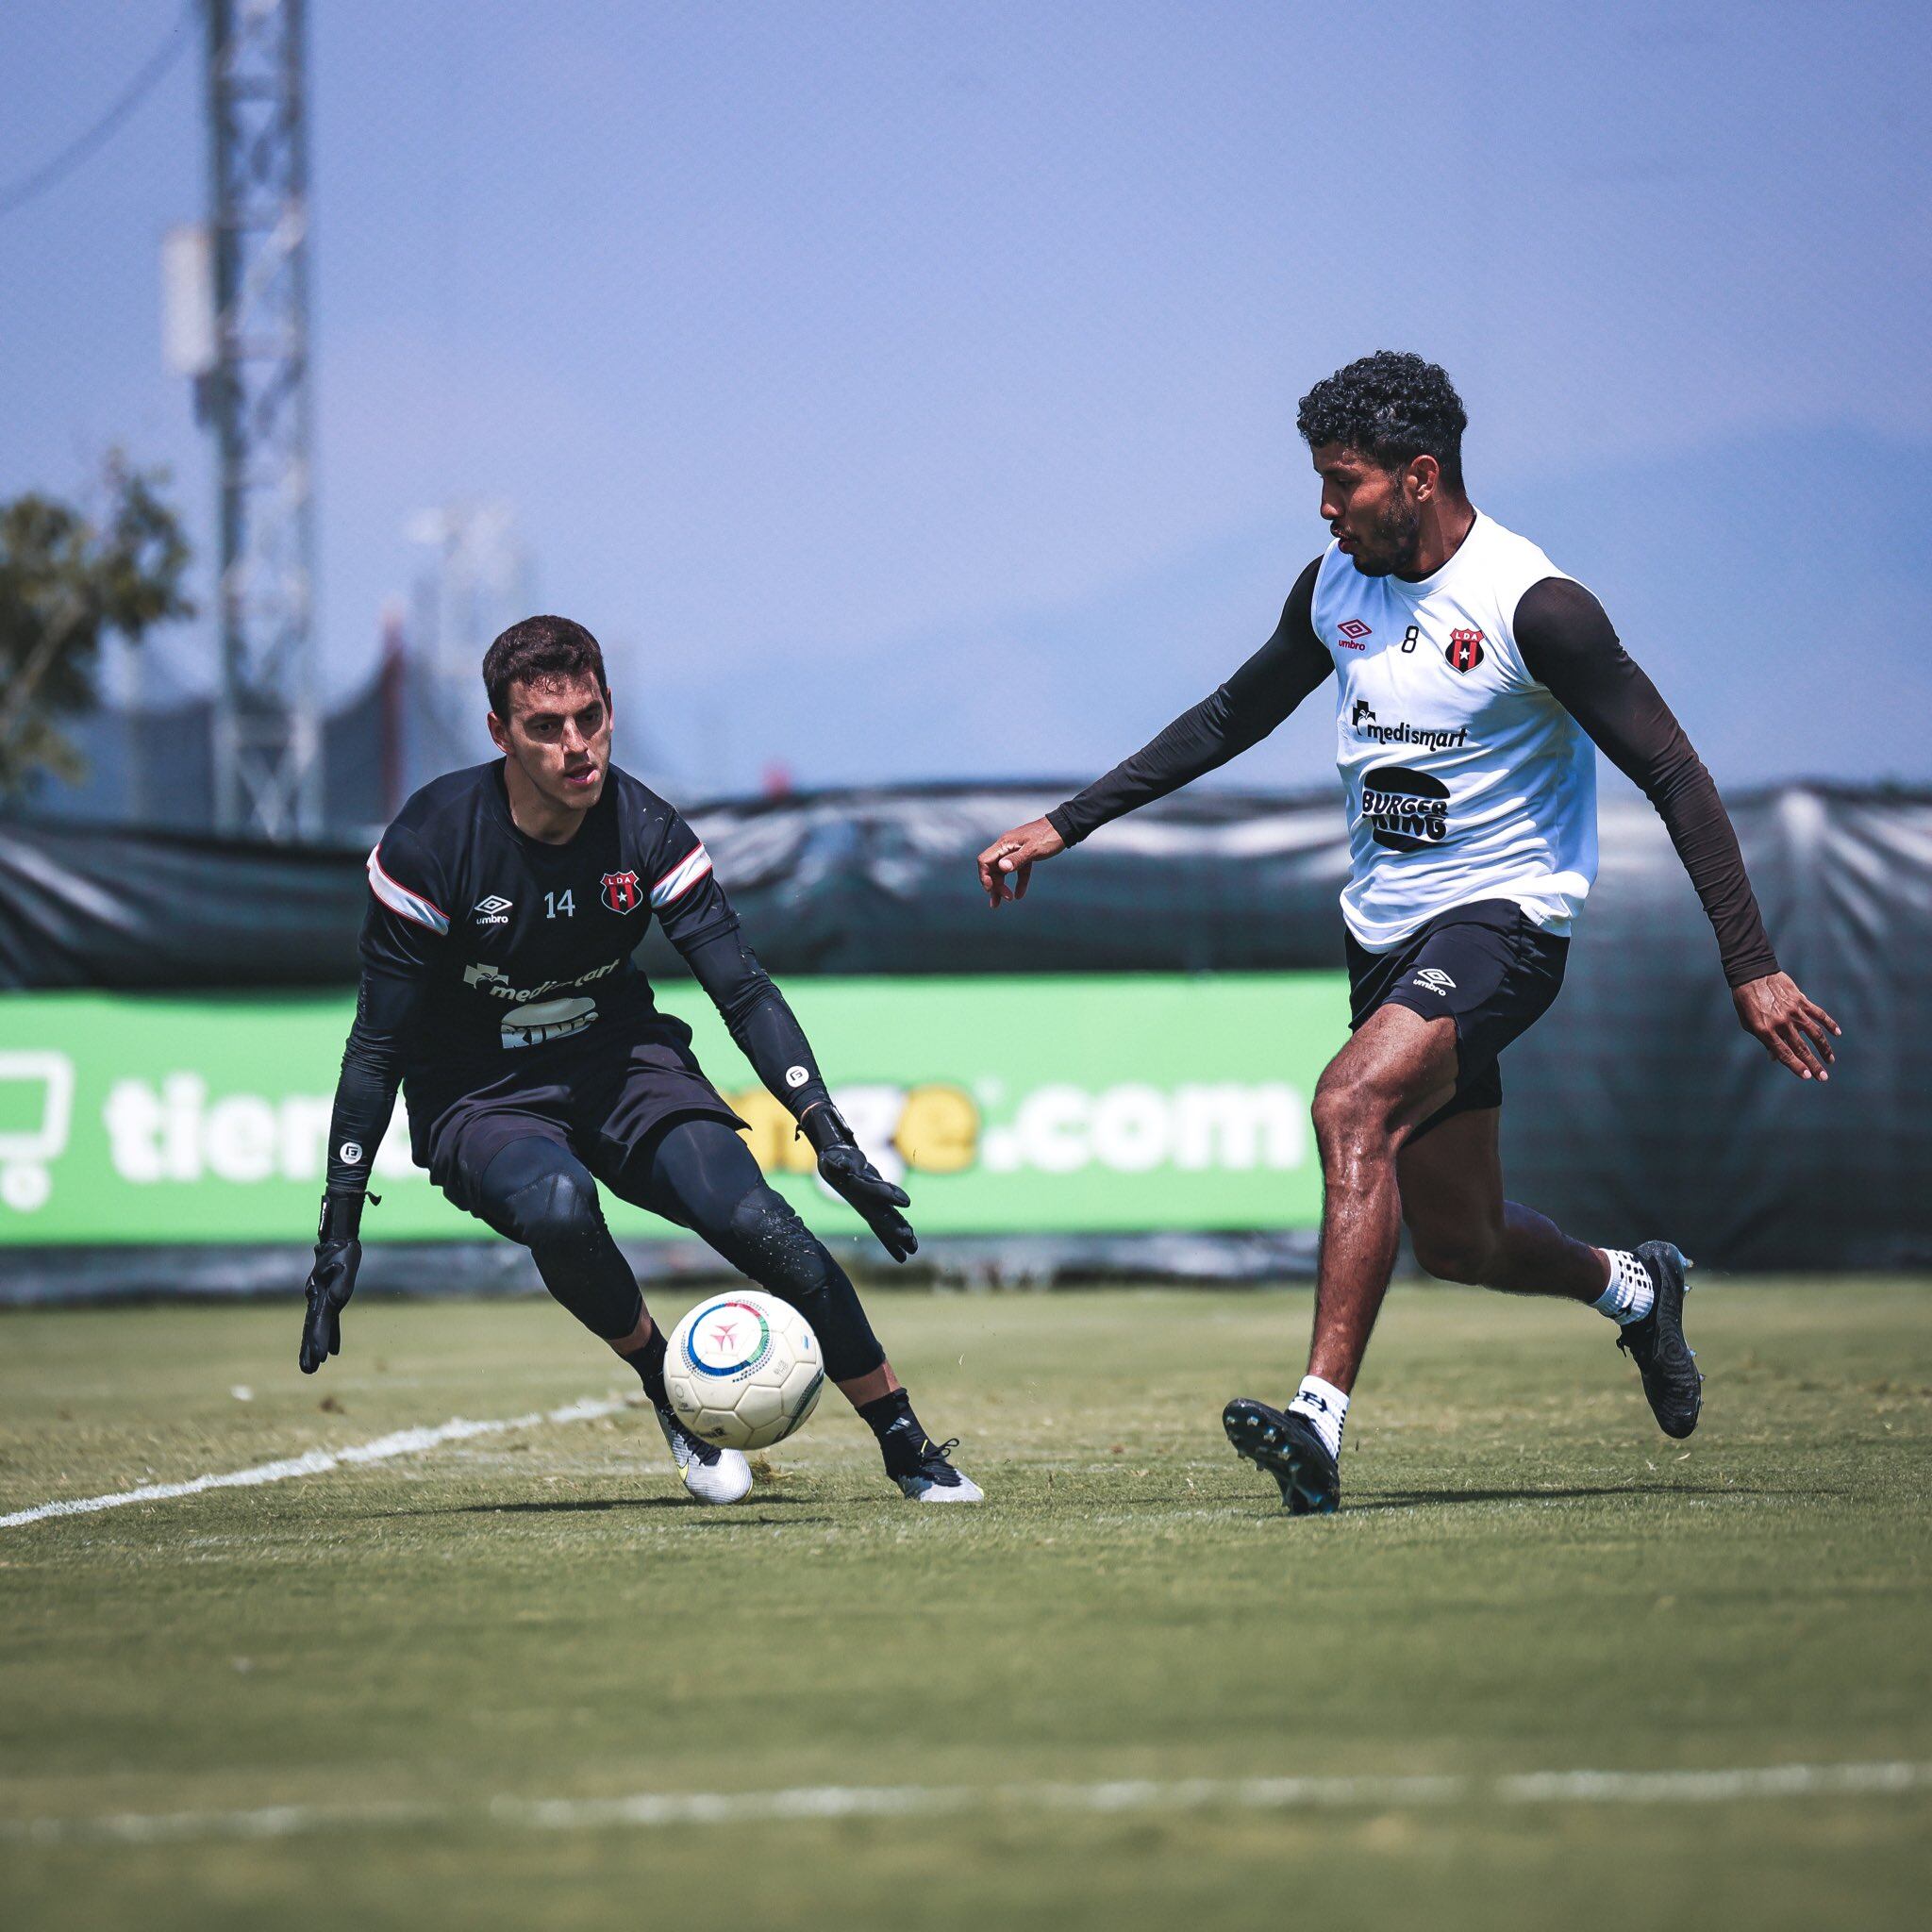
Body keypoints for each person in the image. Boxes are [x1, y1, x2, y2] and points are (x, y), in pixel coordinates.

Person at [975, 350, 1838, 1515]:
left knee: (1347, 1103)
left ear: (1418, 477)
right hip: (1383, 933)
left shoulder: (1535, 606)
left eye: (1342, 482)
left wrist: (1751, 963)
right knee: (1460, 1240)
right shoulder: (1334, 583)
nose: (1324, 508)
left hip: (1503, 920)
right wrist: (1064, 823)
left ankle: (1316, 1421)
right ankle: (1636, 1288)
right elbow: (1230, 714)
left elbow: (1674, 772)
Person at [300, 616, 980, 1505]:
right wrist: (340, 1222)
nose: (576, 745)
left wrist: (826, 1130)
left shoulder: (647, 827)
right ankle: (668, 1386)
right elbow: (377, 1046)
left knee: (756, 1221)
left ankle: (906, 1446)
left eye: (590, 718)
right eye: (546, 727)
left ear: (611, 709)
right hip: (478, 1089)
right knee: (557, 1205)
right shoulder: (432, 843)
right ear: (500, 733)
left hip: (619, 1058)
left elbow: (743, 990)